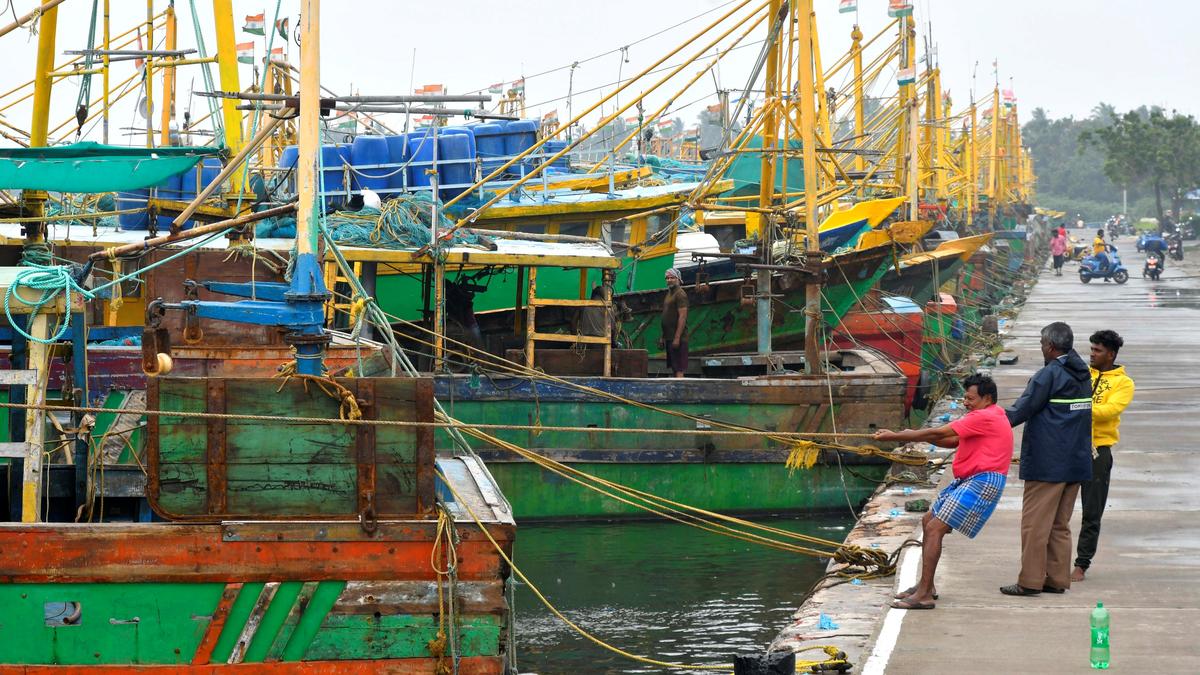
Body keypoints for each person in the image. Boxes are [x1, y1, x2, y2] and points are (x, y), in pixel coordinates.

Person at [875, 374, 1012, 610]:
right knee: (929, 520)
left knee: (936, 527)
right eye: (964, 398)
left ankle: (925, 594)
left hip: (983, 480)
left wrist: (898, 436)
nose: (965, 402)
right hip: (971, 478)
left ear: (987, 398)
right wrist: (911, 438)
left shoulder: (985, 416)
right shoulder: (988, 414)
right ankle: (926, 585)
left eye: (970, 398)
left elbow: (938, 433)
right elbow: (951, 441)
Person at [1001, 322, 1093, 596]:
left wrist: (981, 425)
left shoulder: (1048, 375)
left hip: (1047, 464)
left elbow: (1019, 412)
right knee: (1059, 525)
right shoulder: (1082, 374)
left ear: (1051, 347)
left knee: (1035, 525)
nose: (1041, 348)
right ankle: (1055, 578)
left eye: (1042, 344)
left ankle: (1029, 581)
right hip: (1076, 462)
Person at [1072, 330, 1134, 582]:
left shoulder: (1124, 383)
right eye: (1091, 349)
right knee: (1057, 507)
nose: (1092, 354)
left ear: (1111, 354)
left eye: (1097, 351)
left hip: (1098, 451)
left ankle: (1081, 564)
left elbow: (1110, 411)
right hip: (1070, 447)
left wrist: (1078, 406)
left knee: (1092, 510)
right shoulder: (1083, 374)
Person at [662, 268, 689, 377]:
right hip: (669, 337)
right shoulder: (669, 293)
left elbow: (682, 316)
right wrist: (663, 336)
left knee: (679, 368)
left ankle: (679, 390)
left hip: (679, 338)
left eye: (672, 278)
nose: (669, 280)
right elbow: (666, 315)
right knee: (674, 366)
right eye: (667, 278)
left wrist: (677, 338)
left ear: (678, 279)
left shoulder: (680, 294)